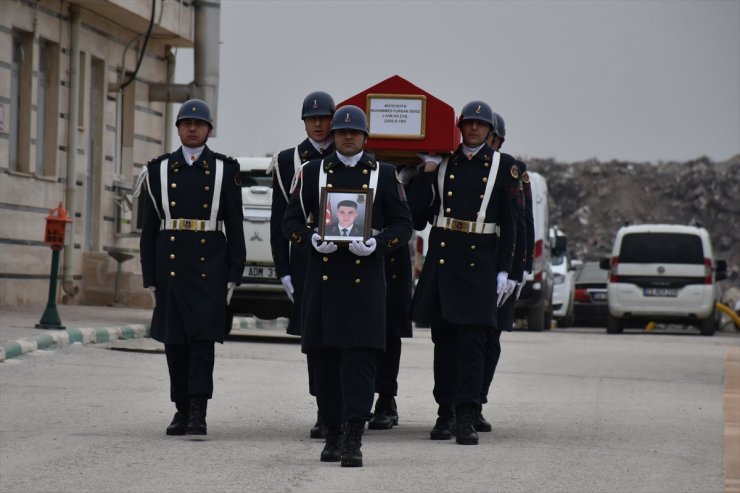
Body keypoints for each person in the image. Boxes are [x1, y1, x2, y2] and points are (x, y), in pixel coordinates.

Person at [282, 105, 413, 467]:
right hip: (323, 282)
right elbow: (289, 220)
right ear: (334, 136)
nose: (348, 137)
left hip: (365, 282)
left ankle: (354, 437)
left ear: (365, 137)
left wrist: (378, 243)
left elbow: (405, 225)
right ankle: (333, 432)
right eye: (342, 132)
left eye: (355, 133)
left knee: (360, 361)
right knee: (324, 361)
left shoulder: (384, 175)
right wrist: (308, 239)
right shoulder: (310, 172)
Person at [408, 100, 518, 445]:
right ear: (459, 127)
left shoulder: (505, 166)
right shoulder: (444, 163)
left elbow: (514, 225)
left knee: (473, 344)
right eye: (468, 124)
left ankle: (467, 414)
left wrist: (508, 271)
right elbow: (415, 216)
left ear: (489, 131)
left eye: (480, 125)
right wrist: (426, 171)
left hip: (481, 264)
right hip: (443, 261)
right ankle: (445, 412)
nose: (473, 129)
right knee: (443, 343)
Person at [136, 98, 246, 436]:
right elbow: (149, 229)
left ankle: (199, 408)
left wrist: (233, 274)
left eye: (199, 124)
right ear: (178, 128)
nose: (193, 128)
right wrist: (149, 277)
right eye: (186, 123)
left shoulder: (226, 169)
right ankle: (180, 407)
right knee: (174, 342)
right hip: (170, 264)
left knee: (202, 341)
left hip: (208, 266)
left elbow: (236, 227)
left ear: (210, 130)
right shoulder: (157, 170)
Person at [268, 90, 335, 439]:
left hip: (346, 261)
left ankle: (346, 409)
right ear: (305, 122)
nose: (319, 124)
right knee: (315, 339)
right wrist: (284, 269)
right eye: (313, 119)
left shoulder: (351, 154)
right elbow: (280, 221)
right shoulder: (287, 161)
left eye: (324, 117)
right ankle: (324, 410)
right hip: (306, 258)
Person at [476, 111, 534, 433]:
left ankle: (478, 400)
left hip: (504, 264)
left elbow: (522, 221)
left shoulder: (514, 171)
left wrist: (522, 266)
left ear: (497, 140)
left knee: (491, 336)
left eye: (490, 137)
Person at [367, 164, 416, 431]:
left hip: (391, 252)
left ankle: (386, 398)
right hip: (349, 251)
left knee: (389, 330)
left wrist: (426, 171)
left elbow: (415, 218)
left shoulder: (403, 171)